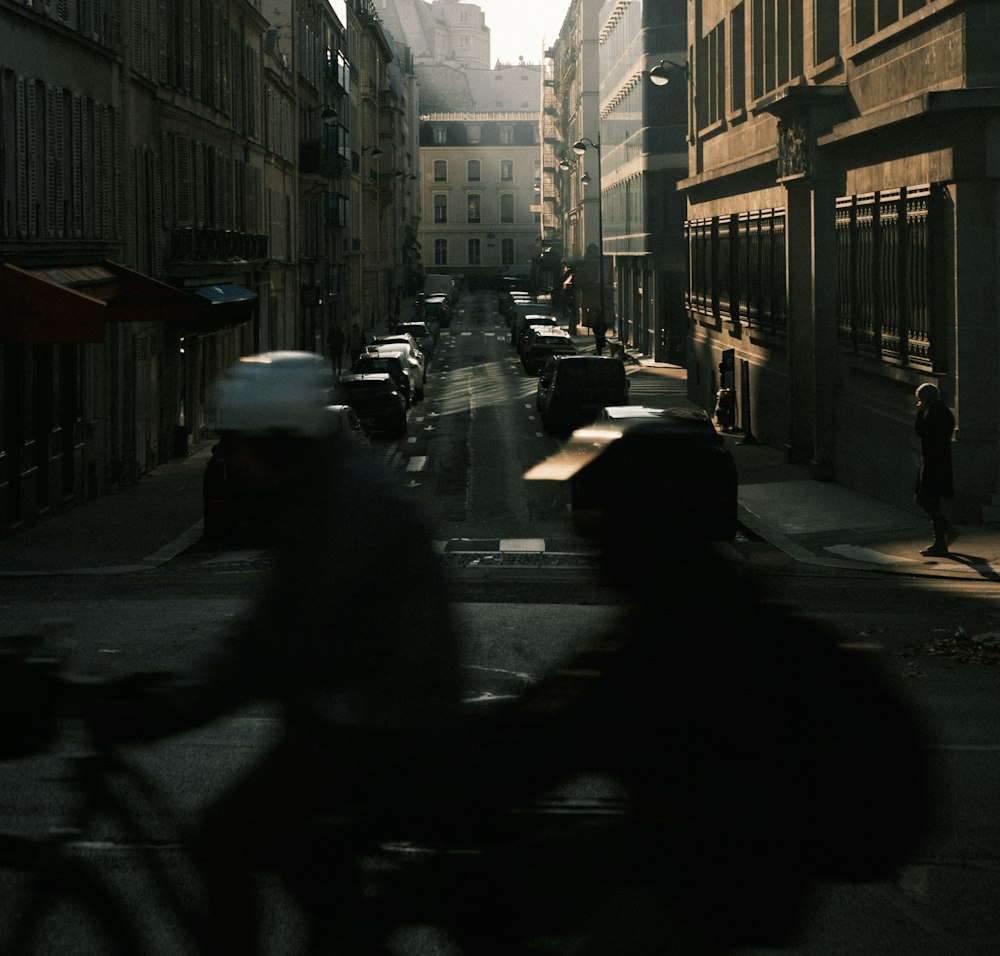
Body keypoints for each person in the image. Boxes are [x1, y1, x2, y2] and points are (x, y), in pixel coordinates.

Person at [434, 419, 935, 954]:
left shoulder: (678, 636)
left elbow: (545, 737)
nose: (593, 543)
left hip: (707, 894)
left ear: (640, 526)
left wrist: (420, 792)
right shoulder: (723, 609)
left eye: (603, 521)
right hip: (740, 881)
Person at [95, 352, 462, 953]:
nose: (232, 459)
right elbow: (269, 636)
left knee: (226, 833)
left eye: (242, 443)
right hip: (369, 711)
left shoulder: (340, 509)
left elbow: (271, 645)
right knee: (312, 867)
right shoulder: (326, 489)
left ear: (280, 440)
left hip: (376, 723)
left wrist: (163, 712)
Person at [914, 381, 958, 556]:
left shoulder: (936, 414)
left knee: (929, 500)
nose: (919, 403)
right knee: (926, 499)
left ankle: (941, 541)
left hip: (934, 464)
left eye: (920, 400)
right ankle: (945, 530)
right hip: (936, 463)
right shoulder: (942, 412)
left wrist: (918, 413)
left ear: (926, 399)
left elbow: (921, 431)